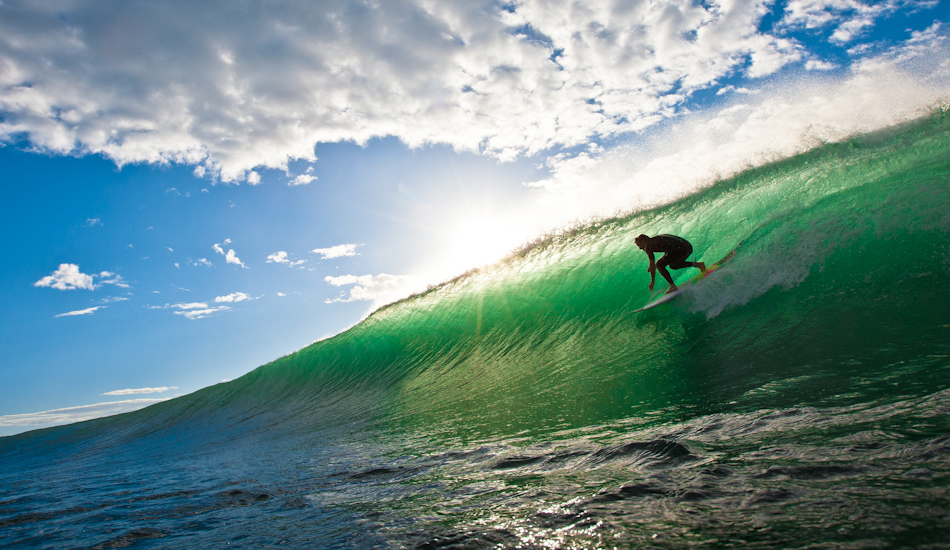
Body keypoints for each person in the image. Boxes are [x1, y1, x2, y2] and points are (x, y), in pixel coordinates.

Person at [634, 234, 706, 294]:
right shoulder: (656, 239)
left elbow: (653, 263)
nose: (640, 248)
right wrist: (651, 266)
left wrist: (652, 281)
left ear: (643, 241)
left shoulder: (648, 246)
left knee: (659, 265)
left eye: (639, 245)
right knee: (673, 265)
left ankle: (672, 286)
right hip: (687, 246)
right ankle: (698, 265)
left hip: (679, 249)